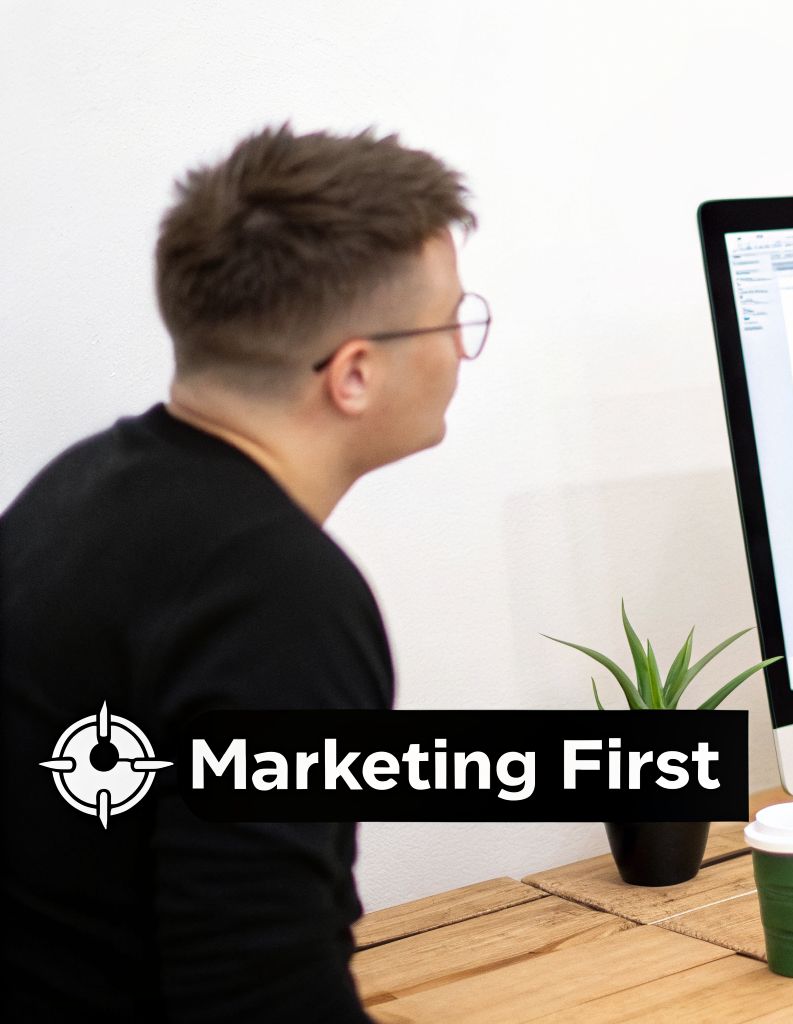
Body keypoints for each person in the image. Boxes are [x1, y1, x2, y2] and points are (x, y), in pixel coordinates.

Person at [1, 125, 486, 1020]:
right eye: (452, 319)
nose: (462, 346)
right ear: (353, 374)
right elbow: (262, 998)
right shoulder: (279, 600)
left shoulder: (72, 491)